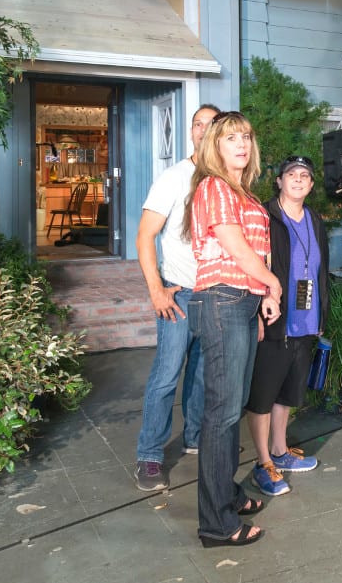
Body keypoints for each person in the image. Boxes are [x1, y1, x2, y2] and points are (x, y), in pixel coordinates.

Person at [183, 111, 282, 548]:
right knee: (221, 415)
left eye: (245, 136)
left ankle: (228, 494)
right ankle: (215, 524)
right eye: (230, 138)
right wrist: (273, 283)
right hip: (222, 299)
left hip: (238, 302)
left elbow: (255, 252)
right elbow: (238, 248)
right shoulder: (215, 186)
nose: (240, 144)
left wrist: (262, 298)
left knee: (232, 406)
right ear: (214, 147)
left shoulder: (242, 191)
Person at [133, 104, 218, 491]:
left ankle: (195, 437)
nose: (203, 130)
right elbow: (145, 235)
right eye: (197, 124)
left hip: (215, 294)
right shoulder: (174, 177)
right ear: (191, 132)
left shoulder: (225, 180)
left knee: (201, 375)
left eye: (211, 124)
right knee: (167, 376)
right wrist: (156, 288)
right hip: (179, 295)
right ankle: (149, 455)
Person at [245, 155, 327, 497]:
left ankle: (280, 450)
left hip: (305, 321)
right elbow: (251, 262)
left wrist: (322, 317)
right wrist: (256, 313)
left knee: (288, 391)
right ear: (278, 181)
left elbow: (321, 270)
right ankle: (263, 461)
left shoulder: (315, 219)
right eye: (291, 174)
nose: (298, 179)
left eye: (304, 175)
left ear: (310, 185)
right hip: (274, 319)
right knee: (263, 393)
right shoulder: (265, 216)